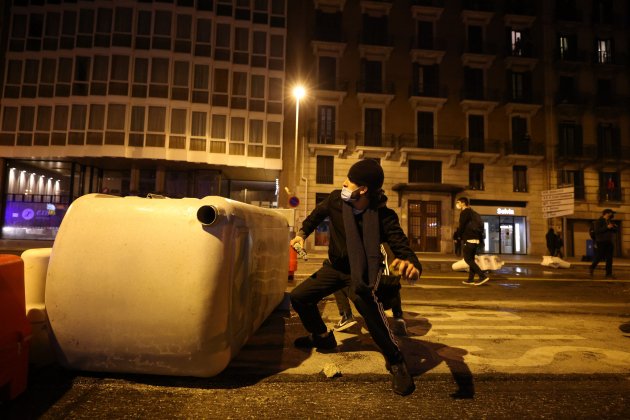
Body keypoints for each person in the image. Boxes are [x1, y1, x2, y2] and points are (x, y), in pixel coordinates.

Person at [289, 159, 422, 396]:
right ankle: (322, 337)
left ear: (363, 190)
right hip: (334, 268)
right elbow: (315, 216)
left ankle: (396, 360)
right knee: (299, 297)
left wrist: (411, 264)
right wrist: (301, 234)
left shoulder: (383, 216)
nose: (344, 183)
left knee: (369, 310)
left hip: (360, 274)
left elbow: (401, 245)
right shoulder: (335, 200)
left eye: (349, 181)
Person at [454, 197, 489, 286]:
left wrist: (458, 237)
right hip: (475, 239)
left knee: (467, 259)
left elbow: (462, 226)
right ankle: (471, 279)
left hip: (469, 238)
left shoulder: (464, 212)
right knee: (471, 259)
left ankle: (482, 276)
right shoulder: (472, 212)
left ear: (463, 203)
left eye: (458, 202)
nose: (457, 204)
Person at [589, 208, 618, 279]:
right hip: (601, 242)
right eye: (612, 213)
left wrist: (614, 227)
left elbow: (614, 231)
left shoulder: (610, 221)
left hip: (609, 242)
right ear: (607, 213)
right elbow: (597, 231)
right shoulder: (598, 222)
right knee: (600, 256)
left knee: (609, 258)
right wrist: (607, 227)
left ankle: (608, 274)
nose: (613, 215)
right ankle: (592, 267)